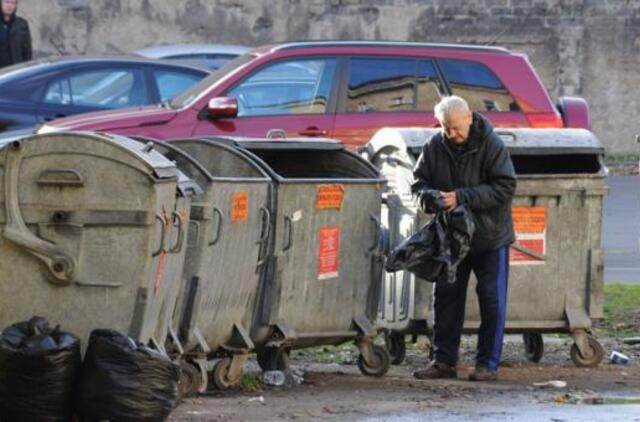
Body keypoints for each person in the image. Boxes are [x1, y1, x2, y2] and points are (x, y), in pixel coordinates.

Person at [412, 95, 516, 381]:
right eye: (446, 128)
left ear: (469, 118)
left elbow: (506, 187)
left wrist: (462, 197)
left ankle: (487, 365)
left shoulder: (491, 144)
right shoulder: (434, 146)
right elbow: (418, 184)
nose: (451, 134)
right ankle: (443, 361)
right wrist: (431, 199)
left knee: (491, 300)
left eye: (456, 127)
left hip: (490, 237)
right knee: (446, 299)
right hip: (452, 239)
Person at [0, 0, 31, 68]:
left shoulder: (22, 24)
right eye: (7, 2)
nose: (10, 6)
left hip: (16, 70)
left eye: (13, 3)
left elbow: (27, 52)